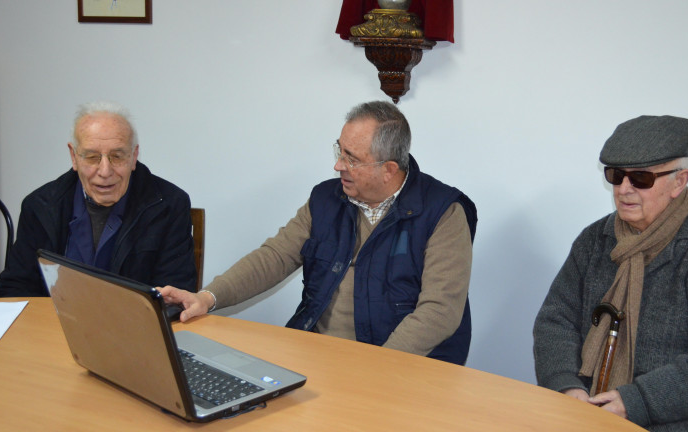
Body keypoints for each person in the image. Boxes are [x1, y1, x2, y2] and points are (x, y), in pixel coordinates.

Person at [159, 101, 477, 365]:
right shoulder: (326, 199)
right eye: (340, 151)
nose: (338, 165)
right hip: (320, 357)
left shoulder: (443, 213)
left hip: (400, 367)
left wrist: (379, 370)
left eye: (352, 159)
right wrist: (207, 297)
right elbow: (274, 256)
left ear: (388, 169)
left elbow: (439, 311)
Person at [533, 115, 688, 432]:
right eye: (616, 175)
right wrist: (566, 386)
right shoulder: (595, 240)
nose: (623, 189)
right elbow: (555, 320)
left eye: (641, 178)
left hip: (681, 424)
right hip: (586, 405)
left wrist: (636, 401)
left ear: (680, 181)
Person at [0, 101, 197, 296]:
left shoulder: (170, 205)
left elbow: (176, 294)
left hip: (132, 328)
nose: (105, 171)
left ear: (134, 156)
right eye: (92, 157)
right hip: (55, 326)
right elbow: (16, 288)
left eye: (117, 156)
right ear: (74, 157)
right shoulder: (40, 206)